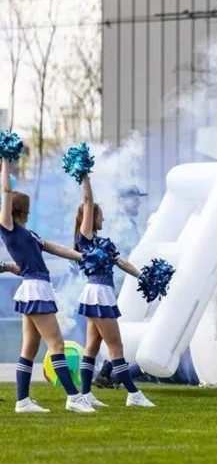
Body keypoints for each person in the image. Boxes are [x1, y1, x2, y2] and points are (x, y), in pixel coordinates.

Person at [1, 158, 94, 413]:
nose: (30, 211)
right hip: (36, 289)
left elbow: (57, 248)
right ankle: (74, 398)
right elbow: (6, 191)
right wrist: (5, 160)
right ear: (21, 209)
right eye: (27, 208)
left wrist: (84, 257)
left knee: (29, 349)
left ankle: (22, 401)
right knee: (57, 345)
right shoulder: (8, 228)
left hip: (36, 288)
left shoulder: (29, 234)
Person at [73, 173, 154, 408]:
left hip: (101, 294)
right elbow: (88, 201)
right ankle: (133, 394)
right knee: (116, 347)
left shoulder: (102, 242)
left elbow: (122, 262)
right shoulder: (86, 238)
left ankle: (85, 394)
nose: (104, 219)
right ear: (90, 218)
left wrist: (142, 276)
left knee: (92, 347)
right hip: (98, 294)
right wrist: (85, 176)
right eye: (100, 216)